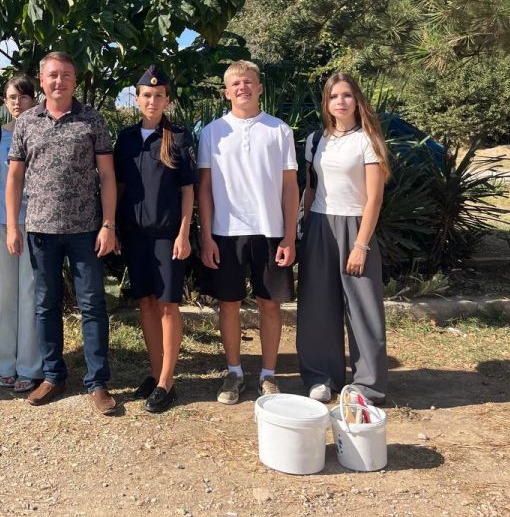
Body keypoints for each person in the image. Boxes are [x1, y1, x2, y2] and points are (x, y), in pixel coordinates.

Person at [6, 51, 119, 416]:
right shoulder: (26, 122)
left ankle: (97, 381)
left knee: (92, 305)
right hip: (40, 229)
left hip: (86, 230)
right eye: (52, 75)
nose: (59, 81)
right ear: (42, 81)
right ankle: (53, 375)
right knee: (46, 305)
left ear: (75, 80)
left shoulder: (92, 120)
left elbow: (106, 177)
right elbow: (14, 178)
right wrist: (12, 225)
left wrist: (109, 224)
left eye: (66, 75)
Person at [197, 60, 299, 404]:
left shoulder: (279, 130)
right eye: (236, 83)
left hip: (270, 232)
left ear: (259, 87)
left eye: (249, 82)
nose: (242, 87)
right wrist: (206, 234)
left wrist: (288, 235)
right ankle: (234, 372)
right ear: (226, 91)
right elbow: (205, 188)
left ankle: (268, 375)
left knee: (270, 305)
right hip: (226, 232)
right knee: (229, 305)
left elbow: (290, 187)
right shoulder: (212, 132)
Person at [298, 72, 390, 405]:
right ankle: (321, 377)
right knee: (317, 307)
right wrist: (303, 230)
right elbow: (310, 189)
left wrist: (361, 244)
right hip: (319, 227)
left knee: (363, 308)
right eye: (334, 96)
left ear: (357, 99)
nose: (341, 101)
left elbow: (374, 199)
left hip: (356, 227)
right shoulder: (314, 140)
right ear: (327, 102)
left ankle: (368, 385)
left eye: (347, 95)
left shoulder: (368, 140)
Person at [114, 66, 196, 413]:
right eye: (146, 95)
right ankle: (154, 371)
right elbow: (118, 187)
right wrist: (115, 228)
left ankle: (167, 380)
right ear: (137, 99)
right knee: (146, 302)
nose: (152, 100)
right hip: (135, 234)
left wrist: (184, 233)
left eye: (159, 95)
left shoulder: (177, 137)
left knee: (167, 305)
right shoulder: (127, 139)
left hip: (167, 236)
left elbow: (188, 190)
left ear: (167, 100)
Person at [0, 74, 42, 393]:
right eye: (11, 97)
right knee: (4, 292)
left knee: (31, 291)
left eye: (23, 96)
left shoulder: (41, 132)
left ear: (34, 99)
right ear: (4, 102)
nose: (17, 102)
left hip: (35, 220)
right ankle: (4, 363)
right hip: (0, 221)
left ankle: (30, 365)